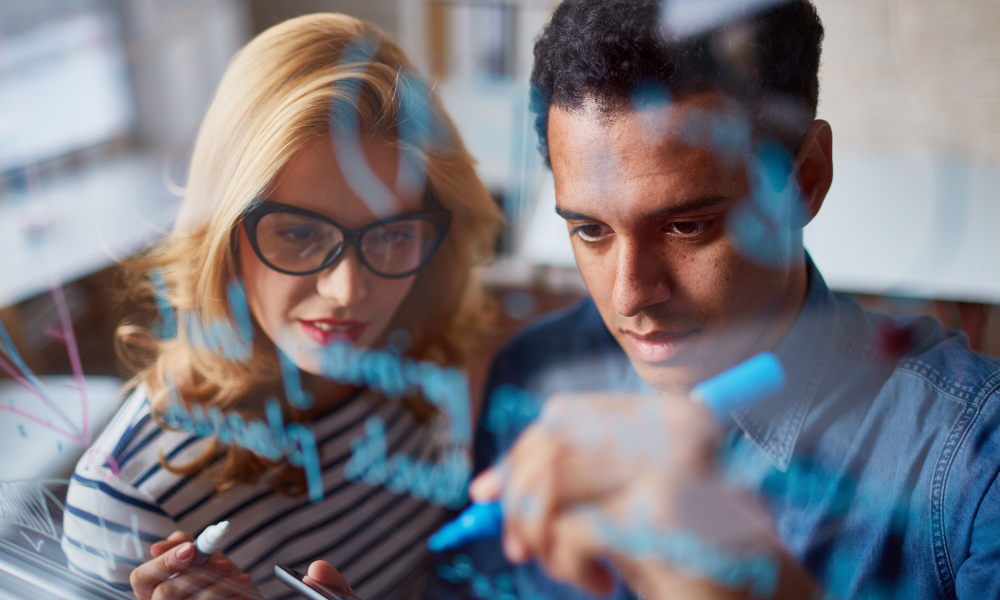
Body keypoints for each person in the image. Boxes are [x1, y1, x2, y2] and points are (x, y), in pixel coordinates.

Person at [305, 0, 1000, 598]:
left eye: (686, 225)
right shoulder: (537, 374)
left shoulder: (974, 461)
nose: (630, 294)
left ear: (806, 179)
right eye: (589, 231)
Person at [60, 13, 501, 600]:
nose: (347, 292)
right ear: (221, 236)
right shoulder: (127, 503)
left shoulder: (416, 367)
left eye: (393, 236)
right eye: (298, 235)